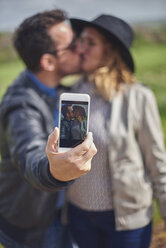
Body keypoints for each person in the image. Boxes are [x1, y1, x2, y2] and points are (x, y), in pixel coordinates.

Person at [66, 14, 166, 248]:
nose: (80, 49)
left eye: (91, 43)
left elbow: (157, 161)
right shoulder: (71, 95)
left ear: (110, 51)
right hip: (80, 216)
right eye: (81, 41)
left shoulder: (138, 96)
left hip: (127, 219)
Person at [0, 9, 97, 248]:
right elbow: (29, 156)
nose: (81, 49)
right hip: (31, 226)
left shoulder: (62, 91)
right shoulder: (21, 105)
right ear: (49, 61)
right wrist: (56, 171)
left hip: (62, 214)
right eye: (73, 45)